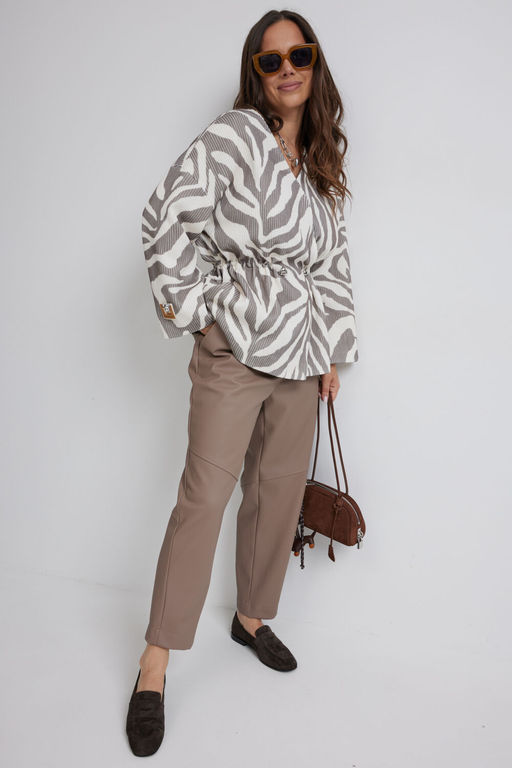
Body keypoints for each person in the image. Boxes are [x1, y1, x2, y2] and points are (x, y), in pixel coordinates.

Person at [126, 8, 359, 756]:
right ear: (255, 72)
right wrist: (200, 315)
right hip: (235, 347)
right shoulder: (233, 138)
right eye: (271, 59)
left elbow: (331, 263)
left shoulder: (319, 162)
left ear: (314, 63)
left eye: (299, 54)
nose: (287, 68)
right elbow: (163, 218)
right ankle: (154, 665)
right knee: (204, 498)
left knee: (277, 492)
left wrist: (330, 351)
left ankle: (251, 618)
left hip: (301, 354)